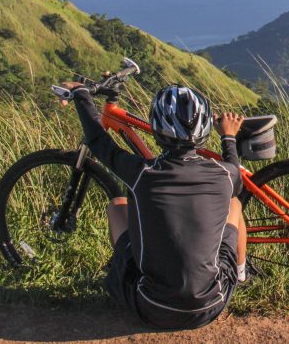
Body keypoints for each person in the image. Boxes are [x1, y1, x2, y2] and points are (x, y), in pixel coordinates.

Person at [60, 80, 248, 330]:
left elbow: (97, 139)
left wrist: (81, 93)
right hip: (210, 305)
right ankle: (242, 273)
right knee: (234, 204)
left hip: (151, 307)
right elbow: (234, 170)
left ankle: (123, 272)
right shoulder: (225, 175)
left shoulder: (141, 173)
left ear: (157, 129)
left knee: (117, 206)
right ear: (204, 131)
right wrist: (228, 136)